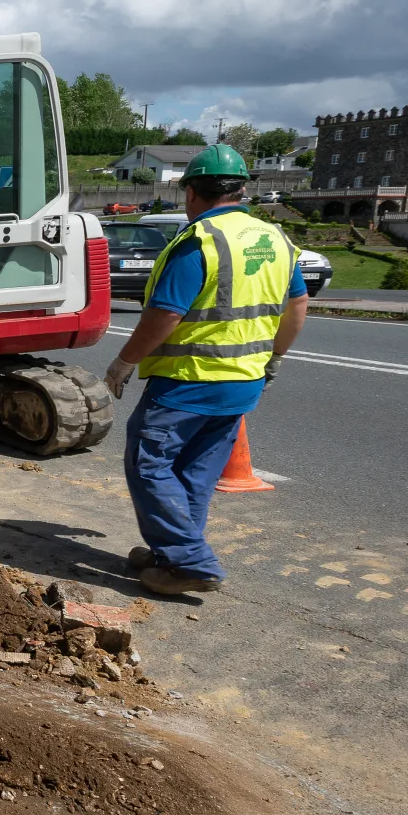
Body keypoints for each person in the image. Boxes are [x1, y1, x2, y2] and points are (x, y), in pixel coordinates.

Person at [102, 144, 309, 596]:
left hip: (187, 382)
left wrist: (124, 362)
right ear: (241, 190)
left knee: (150, 463)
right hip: (243, 383)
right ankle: (171, 557)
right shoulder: (276, 239)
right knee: (195, 471)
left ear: (192, 192)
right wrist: (274, 357)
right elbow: (298, 305)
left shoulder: (199, 241)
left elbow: (165, 314)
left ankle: (192, 561)